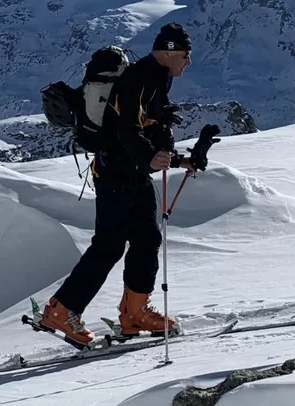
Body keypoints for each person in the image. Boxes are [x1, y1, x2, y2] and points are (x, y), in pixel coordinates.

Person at [39, 23, 197, 346]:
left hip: (133, 173)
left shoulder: (157, 79)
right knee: (109, 245)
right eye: (185, 54)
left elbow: (148, 130)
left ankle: (134, 312)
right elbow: (126, 129)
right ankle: (61, 309)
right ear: (168, 51)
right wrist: (150, 157)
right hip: (114, 174)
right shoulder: (138, 78)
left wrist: (178, 160)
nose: (188, 61)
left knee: (147, 239)